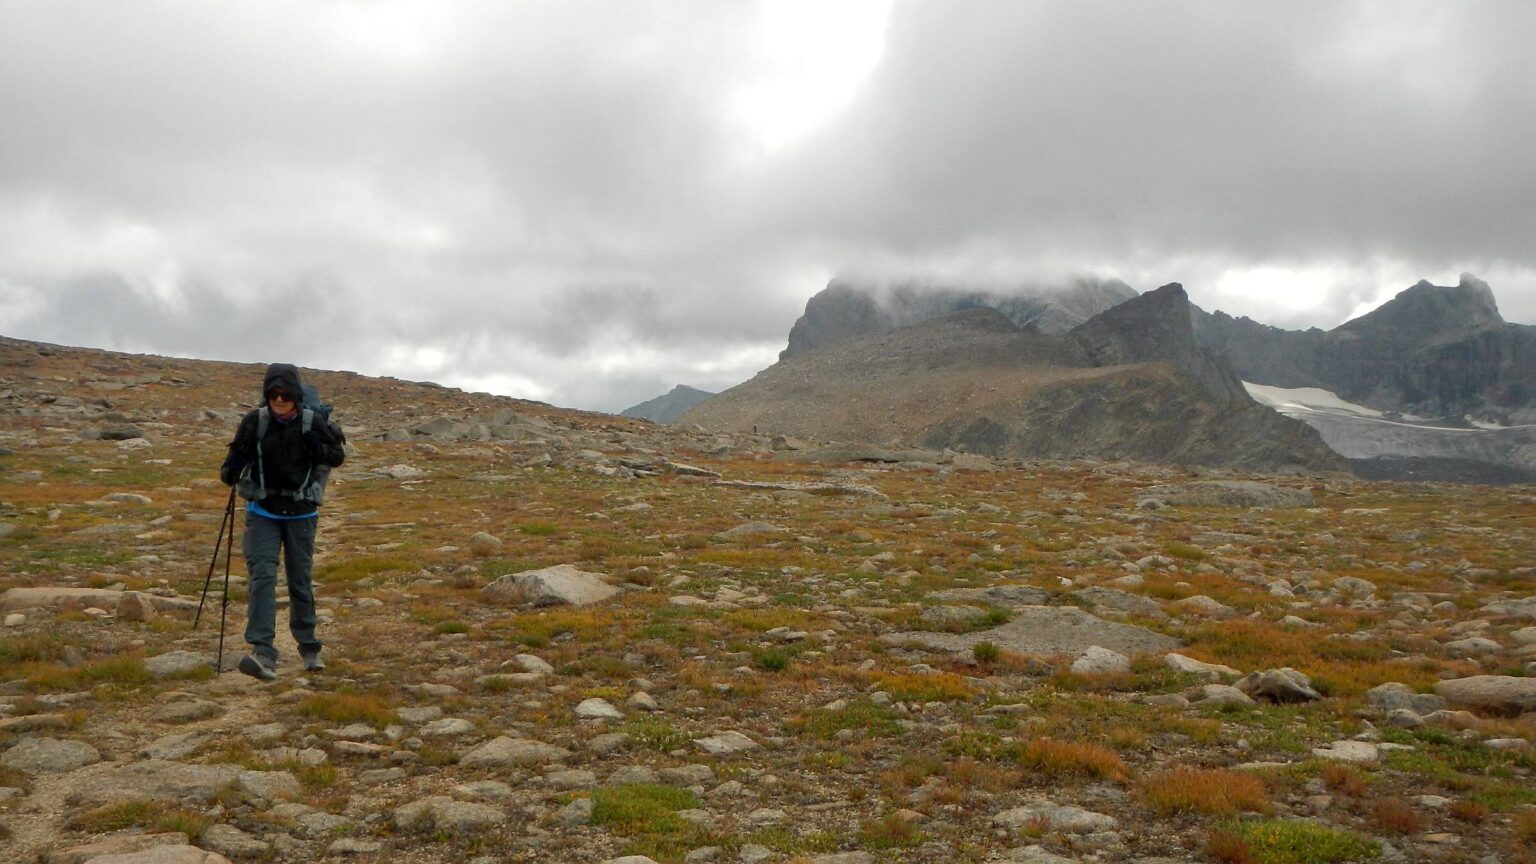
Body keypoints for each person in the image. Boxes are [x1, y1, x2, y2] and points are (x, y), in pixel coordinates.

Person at [219, 363, 345, 681]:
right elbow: (231, 465)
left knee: (299, 579)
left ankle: (309, 647)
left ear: (295, 395)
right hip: (263, 511)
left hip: (302, 511)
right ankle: (263, 651)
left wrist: (319, 448)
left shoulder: (311, 421)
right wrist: (232, 469)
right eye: (273, 394)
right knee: (262, 576)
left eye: (285, 394)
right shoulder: (255, 421)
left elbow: (337, 456)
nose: (279, 400)